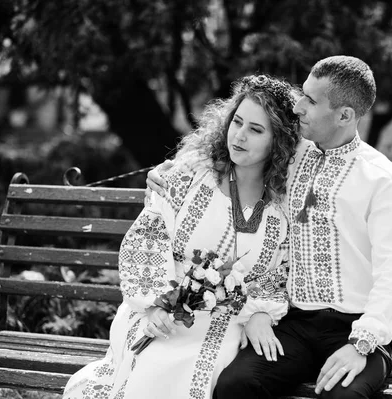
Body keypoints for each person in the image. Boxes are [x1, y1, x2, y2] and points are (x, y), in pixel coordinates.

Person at [146, 55, 392, 399]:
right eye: (302, 93)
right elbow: (231, 149)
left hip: (356, 331)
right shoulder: (292, 154)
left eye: (311, 100)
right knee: (236, 386)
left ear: (345, 115)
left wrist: (361, 345)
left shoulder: (382, 180)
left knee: (344, 398)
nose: (298, 106)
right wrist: (170, 168)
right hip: (295, 325)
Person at [62, 74, 301, 399]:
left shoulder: (281, 207)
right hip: (160, 314)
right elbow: (147, 242)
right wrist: (154, 306)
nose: (240, 136)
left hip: (230, 323)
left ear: (279, 142)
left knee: (220, 370)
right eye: (237, 122)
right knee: (156, 367)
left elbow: (277, 271)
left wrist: (260, 312)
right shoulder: (186, 175)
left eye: (256, 130)